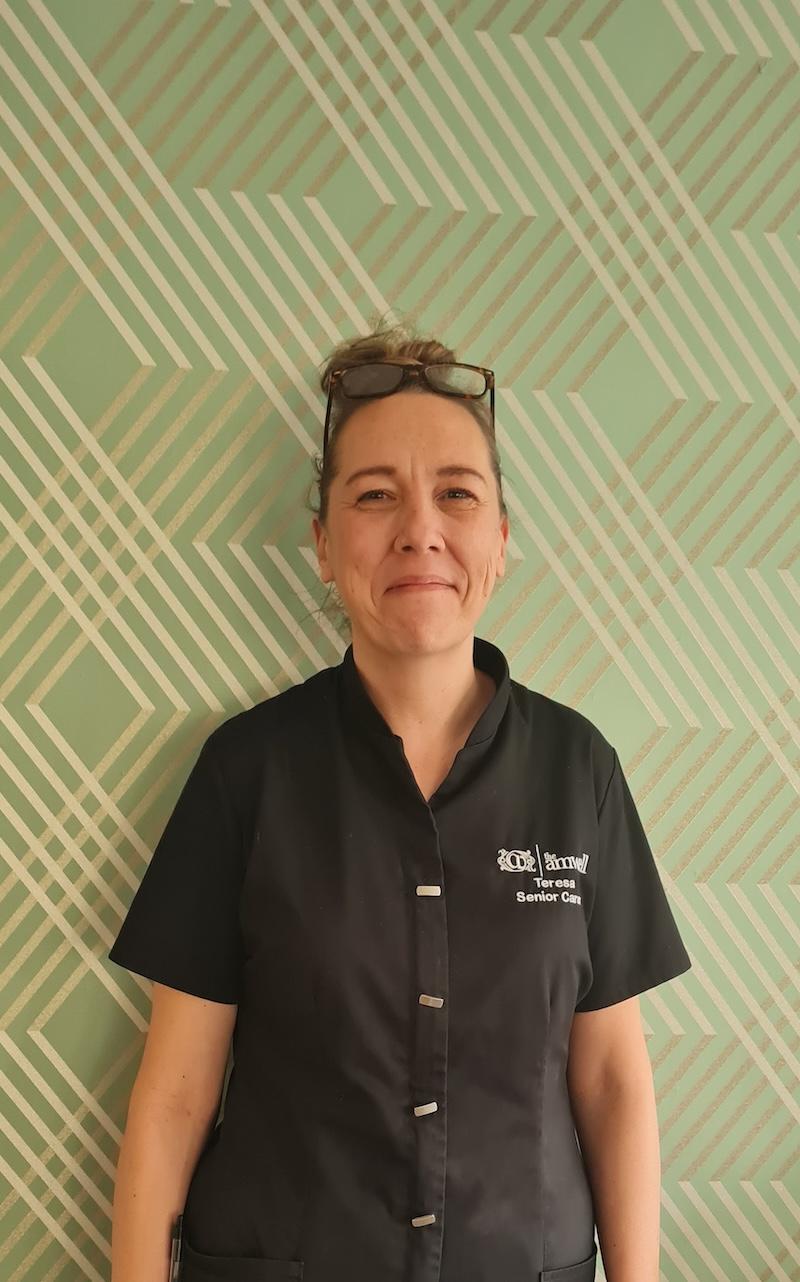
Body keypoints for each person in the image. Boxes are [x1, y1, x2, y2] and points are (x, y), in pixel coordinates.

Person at [107, 321, 692, 1282]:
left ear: (500, 541)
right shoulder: (244, 772)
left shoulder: (579, 773)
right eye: (374, 496)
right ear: (325, 546)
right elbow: (174, 1096)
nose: (419, 528)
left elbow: (614, 1083)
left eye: (456, 494)